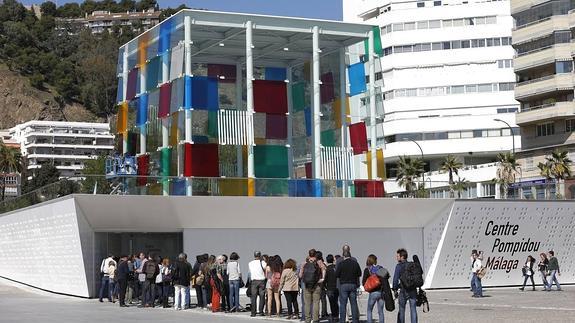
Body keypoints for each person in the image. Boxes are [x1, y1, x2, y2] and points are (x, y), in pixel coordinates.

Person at [335, 250, 361, 323]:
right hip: (353, 284)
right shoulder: (355, 263)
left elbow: (337, 275)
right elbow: (359, 273)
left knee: (343, 304)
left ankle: (342, 320)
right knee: (353, 303)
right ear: (350, 255)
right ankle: (355, 320)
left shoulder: (341, 263)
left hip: (343, 285)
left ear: (343, 256)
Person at [393, 249, 418, 323]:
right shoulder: (412, 265)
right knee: (413, 309)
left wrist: (395, 289)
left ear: (402, 257)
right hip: (413, 290)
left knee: (402, 310)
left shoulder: (399, 266)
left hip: (403, 290)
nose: (396, 258)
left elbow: (395, 279)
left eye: (398, 256)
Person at [363, 254, 384, 323]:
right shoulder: (380, 268)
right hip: (381, 292)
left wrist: (369, 288)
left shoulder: (367, 270)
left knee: (369, 310)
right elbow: (385, 279)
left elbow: (363, 282)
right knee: (381, 311)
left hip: (372, 293)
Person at [248, 251, 267, 317]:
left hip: (254, 281)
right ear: (260, 255)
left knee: (254, 297)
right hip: (262, 281)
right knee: (262, 297)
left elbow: (251, 271)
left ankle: (253, 312)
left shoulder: (250, 263)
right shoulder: (262, 262)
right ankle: (261, 312)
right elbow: (265, 269)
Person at [324, 254, 339, 322]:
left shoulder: (327, 269)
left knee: (331, 302)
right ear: (333, 260)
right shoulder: (336, 267)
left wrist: (325, 287)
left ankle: (334, 315)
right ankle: (336, 315)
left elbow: (325, 279)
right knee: (336, 302)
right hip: (336, 287)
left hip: (329, 288)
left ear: (327, 261)